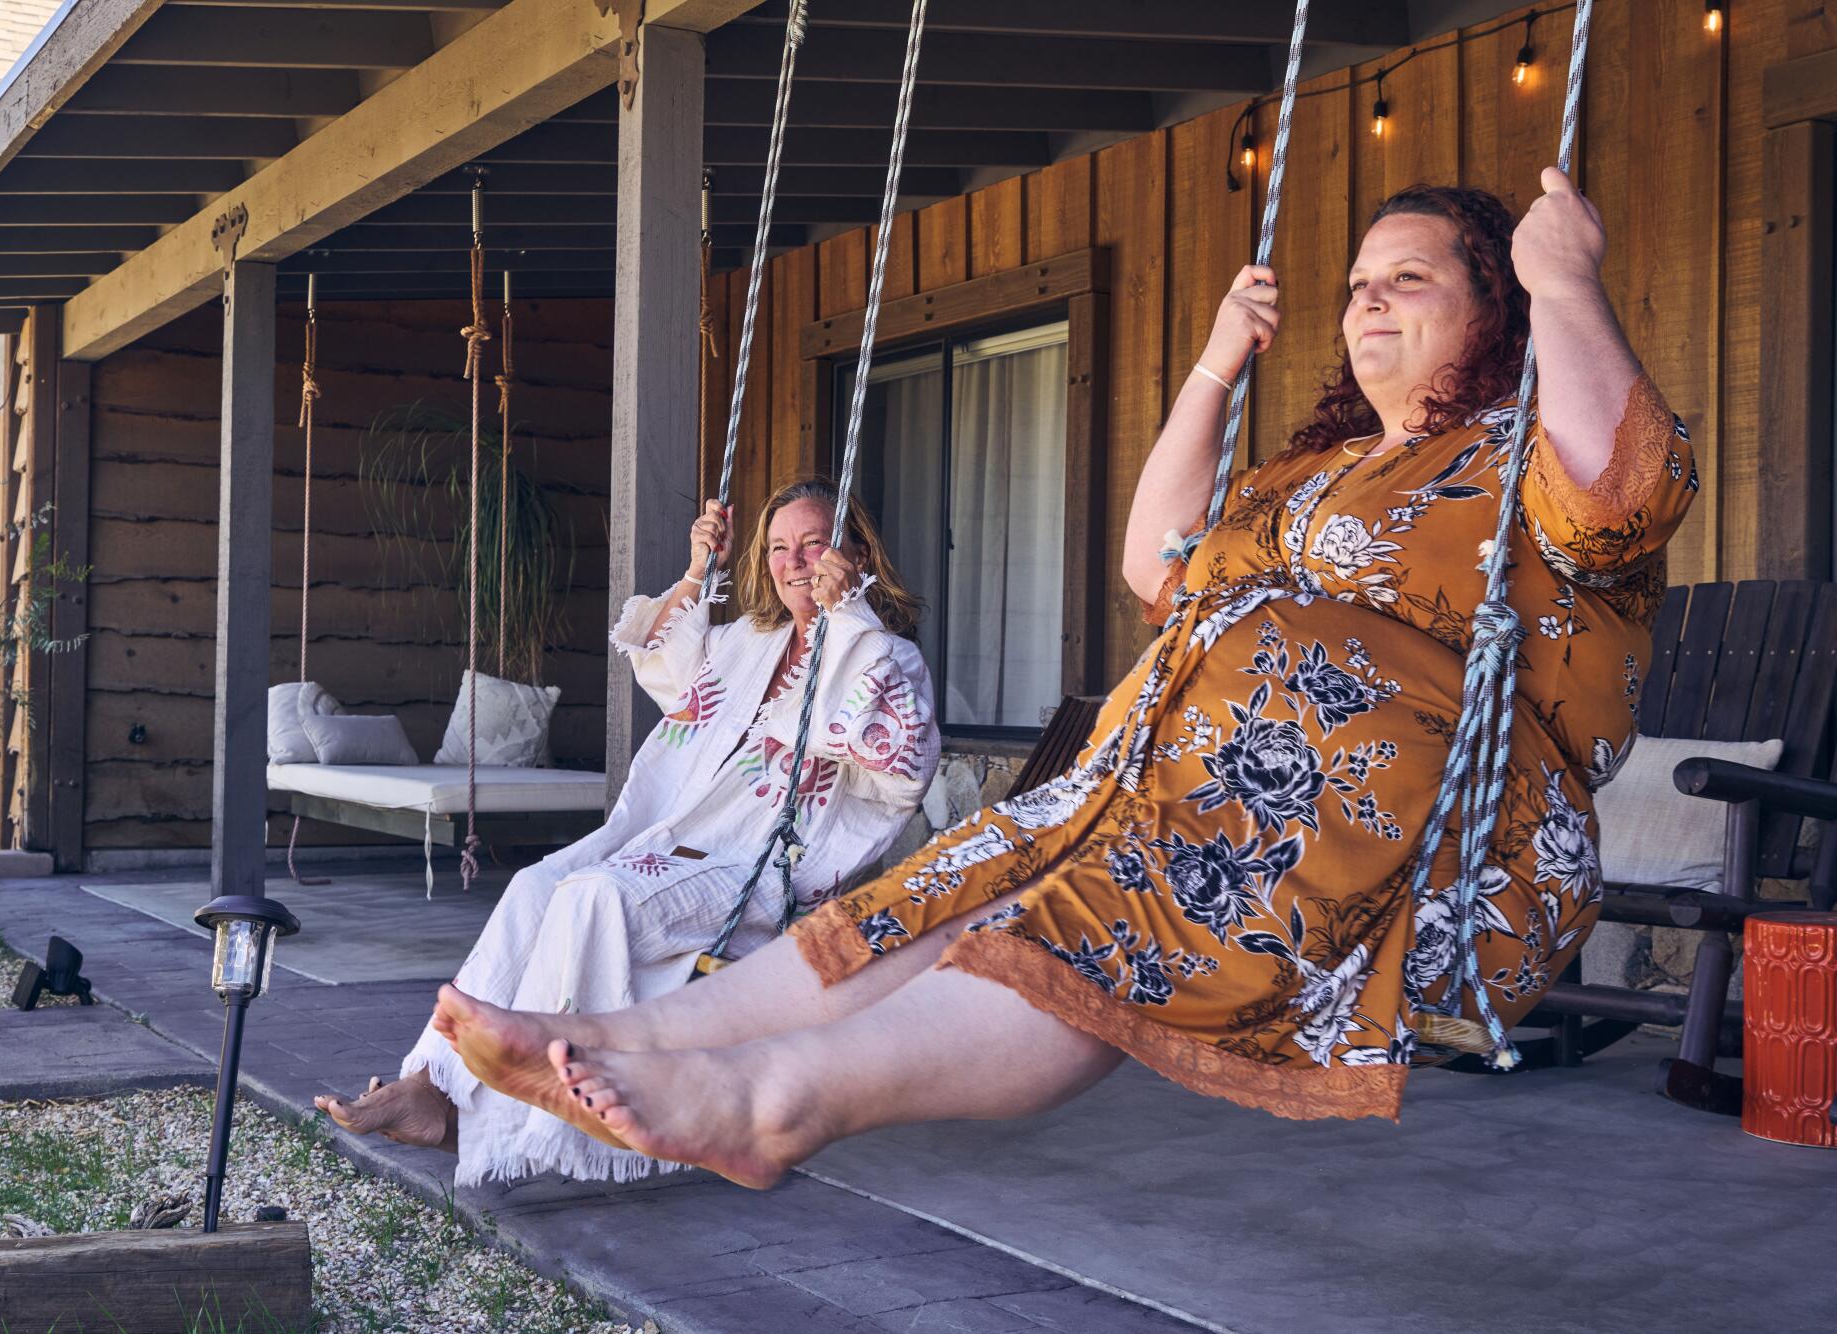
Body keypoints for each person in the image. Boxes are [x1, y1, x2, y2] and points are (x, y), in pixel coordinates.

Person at [423, 169, 1696, 1190]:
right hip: (1167, 784)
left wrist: (1563, 279)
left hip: (1405, 827)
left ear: (1498, 309)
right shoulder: (1309, 476)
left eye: (1406, 279)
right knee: (950, 887)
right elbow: (1159, 558)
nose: (1365, 303)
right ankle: (625, 1036)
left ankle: (770, 1101)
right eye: (1356, 283)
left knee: (1079, 919)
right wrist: (1209, 370)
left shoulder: (1522, 450)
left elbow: (1623, 491)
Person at [317, 478, 939, 1184]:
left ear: (857, 553)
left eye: (815, 544)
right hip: (667, 845)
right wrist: (699, 571)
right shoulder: (749, 643)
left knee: (593, 899)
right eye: (778, 547)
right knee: (535, 885)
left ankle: (504, 1122)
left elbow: (898, 771)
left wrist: (847, 612)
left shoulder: (883, 654)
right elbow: (664, 663)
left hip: (756, 872)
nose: (795, 562)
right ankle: (431, 1081)